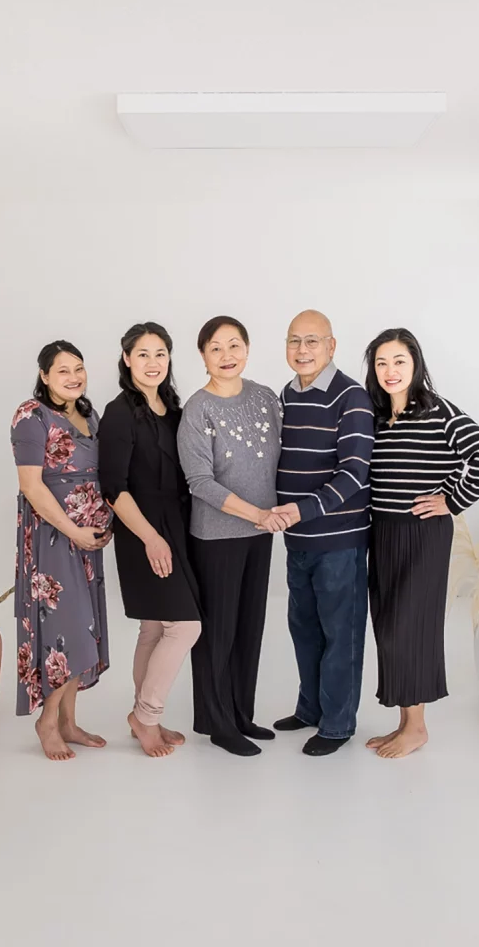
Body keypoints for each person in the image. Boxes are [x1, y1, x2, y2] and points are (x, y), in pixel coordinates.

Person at [364, 327, 479, 758]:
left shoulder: (439, 411)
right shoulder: (374, 415)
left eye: (399, 362)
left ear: (416, 365)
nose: (390, 371)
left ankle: (418, 727)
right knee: (388, 628)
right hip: (382, 532)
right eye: (382, 362)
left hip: (422, 534)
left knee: (411, 628)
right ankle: (404, 721)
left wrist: (451, 500)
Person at [177, 316, 287, 757]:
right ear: (202, 355)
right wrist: (257, 513)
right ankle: (217, 722)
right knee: (217, 633)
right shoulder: (197, 408)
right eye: (216, 348)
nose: (227, 356)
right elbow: (199, 482)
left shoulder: (265, 398)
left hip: (261, 533)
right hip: (217, 536)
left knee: (249, 628)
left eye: (235, 345)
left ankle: (242, 714)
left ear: (247, 349)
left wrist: (275, 515)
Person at [273, 311, 374, 756]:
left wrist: (302, 510)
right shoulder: (286, 394)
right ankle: (310, 708)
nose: (302, 350)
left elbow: (354, 472)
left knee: (341, 633)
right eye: (295, 340)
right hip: (297, 540)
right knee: (304, 628)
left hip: (339, 539)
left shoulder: (351, 396)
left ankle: (337, 724)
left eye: (312, 341)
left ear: (331, 346)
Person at [98, 323, 202, 758]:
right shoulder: (119, 412)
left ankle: (141, 715)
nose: (152, 363)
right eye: (142, 354)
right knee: (186, 626)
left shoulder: (174, 408)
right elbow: (113, 488)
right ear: (126, 360)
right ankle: (147, 716)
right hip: (142, 529)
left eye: (160, 354)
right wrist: (151, 538)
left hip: (176, 524)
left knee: (156, 627)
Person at [11, 340, 112, 761]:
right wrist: (74, 529)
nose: (74, 377)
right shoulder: (31, 416)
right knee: (63, 629)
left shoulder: (89, 414)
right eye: (63, 370)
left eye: (79, 368)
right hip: (53, 536)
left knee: (84, 627)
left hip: (88, 539)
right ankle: (47, 721)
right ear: (45, 376)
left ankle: (69, 721)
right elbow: (31, 486)